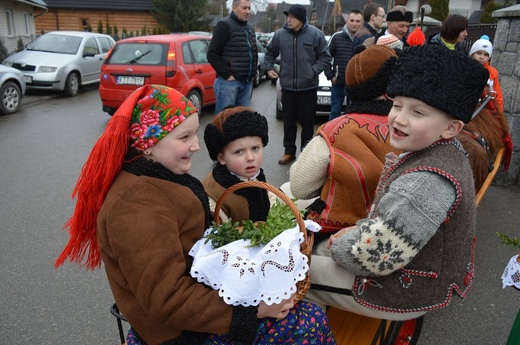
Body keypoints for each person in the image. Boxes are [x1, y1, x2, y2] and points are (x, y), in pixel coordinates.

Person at [54, 84, 336, 345]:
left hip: (199, 307)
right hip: (178, 333)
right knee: (309, 323)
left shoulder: (158, 178)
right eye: (184, 137)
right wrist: (254, 311)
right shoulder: (136, 203)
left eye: (194, 134)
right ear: (149, 142)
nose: (196, 146)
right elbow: (166, 298)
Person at [304, 44, 489, 321]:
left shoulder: (427, 181)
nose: (399, 118)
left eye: (418, 113)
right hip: (414, 271)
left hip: (401, 288)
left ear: (451, 128)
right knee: (313, 251)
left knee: (288, 274)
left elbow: (375, 256)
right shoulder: (444, 151)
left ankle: (313, 332)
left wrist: (336, 244)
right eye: (397, 105)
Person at [289, 45, 399, 241]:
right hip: (400, 232)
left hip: (340, 234)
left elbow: (300, 187)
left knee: (287, 190)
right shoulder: (416, 126)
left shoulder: (335, 129)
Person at [265, 4, 331, 165]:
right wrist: (268, 68)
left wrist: (312, 71)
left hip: (308, 88)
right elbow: (270, 53)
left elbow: (325, 57)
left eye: (292, 17)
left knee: (307, 124)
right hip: (287, 87)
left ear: (301, 19)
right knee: (288, 122)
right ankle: (289, 152)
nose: (289, 20)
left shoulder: (315, 35)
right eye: (288, 16)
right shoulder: (280, 35)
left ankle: (305, 154)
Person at [202, 106, 276, 223]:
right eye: (239, 152)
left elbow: (267, 197)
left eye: (255, 148)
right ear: (221, 158)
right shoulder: (215, 196)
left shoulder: (254, 176)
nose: (250, 158)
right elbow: (220, 234)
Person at [208, 0, 258, 114]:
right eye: (244, 8)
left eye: (249, 8)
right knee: (224, 120)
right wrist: (227, 75)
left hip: (247, 82)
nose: (247, 11)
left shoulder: (250, 28)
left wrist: (252, 74)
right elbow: (212, 54)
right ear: (234, 8)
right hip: (228, 83)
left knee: (242, 122)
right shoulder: (224, 25)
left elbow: (253, 52)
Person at [325, 9, 363, 121]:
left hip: (356, 84)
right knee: (335, 112)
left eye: (357, 21)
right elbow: (325, 57)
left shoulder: (365, 39)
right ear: (347, 21)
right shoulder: (336, 37)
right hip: (339, 82)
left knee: (353, 114)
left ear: (361, 23)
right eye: (352, 20)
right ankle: (331, 137)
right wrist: (330, 75)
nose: (354, 23)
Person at [470, 35, 504, 112]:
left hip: (486, 110)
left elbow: (497, 95)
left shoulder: (493, 72)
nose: (482, 57)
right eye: (479, 53)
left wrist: (498, 113)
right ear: (472, 54)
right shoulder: (465, 68)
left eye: (486, 54)